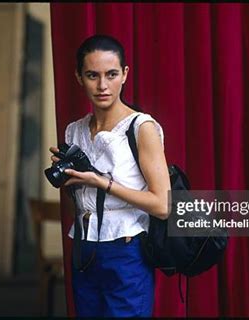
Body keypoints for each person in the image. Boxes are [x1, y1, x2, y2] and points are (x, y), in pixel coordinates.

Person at [49, 34, 170, 317]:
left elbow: (163, 206)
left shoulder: (141, 127)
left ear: (125, 74)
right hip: (84, 248)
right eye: (92, 75)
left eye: (111, 74)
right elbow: (75, 202)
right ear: (79, 77)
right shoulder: (73, 131)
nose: (102, 85)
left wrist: (100, 181)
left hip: (126, 251)